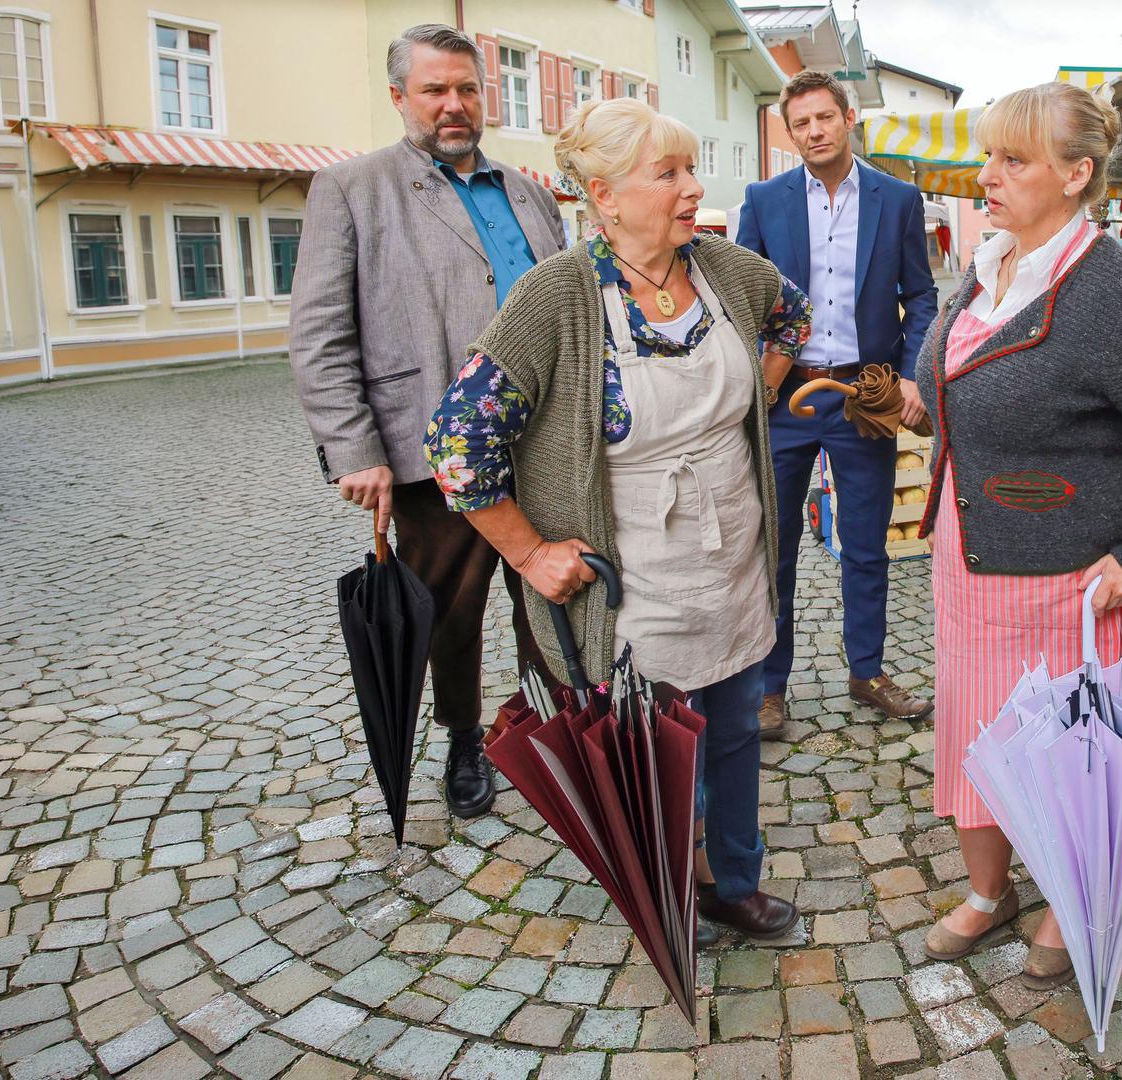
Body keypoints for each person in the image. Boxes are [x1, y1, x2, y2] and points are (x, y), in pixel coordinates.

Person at [424, 97, 811, 942]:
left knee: (735, 729)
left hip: (733, 550)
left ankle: (731, 883)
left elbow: (793, 316)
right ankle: (668, 891)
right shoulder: (555, 297)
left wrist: (760, 391)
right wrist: (530, 554)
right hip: (634, 577)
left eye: (690, 169)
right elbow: (457, 441)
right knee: (655, 745)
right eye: (667, 173)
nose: (692, 188)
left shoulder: (725, 269)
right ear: (603, 195)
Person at [916, 82, 1122, 987]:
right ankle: (990, 891)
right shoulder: (990, 263)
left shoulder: (1113, 294)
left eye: (1012, 160)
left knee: (1068, 752)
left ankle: (1075, 895)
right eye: (988, 155)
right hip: (967, 561)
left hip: (1066, 583)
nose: (987, 175)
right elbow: (966, 391)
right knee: (978, 732)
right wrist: (911, 403)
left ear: (1076, 174)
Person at [290, 24, 567, 819]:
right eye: (435, 89)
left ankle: (548, 729)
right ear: (398, 97)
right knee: (449, 604)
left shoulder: (530, 193)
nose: (454, 104)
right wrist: (353, 447)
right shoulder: (352, 189)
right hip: (431, 444)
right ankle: (464, 739)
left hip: (543, 439)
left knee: (550, 592)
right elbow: (319, 330)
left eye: (467, 88)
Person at [735, 71, 940, 738]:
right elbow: (740, 297)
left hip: (864, 395)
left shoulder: (897, 198)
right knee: (774, 547)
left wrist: (911, 377)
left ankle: (867, 672)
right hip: (785, 398)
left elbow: (922, 297)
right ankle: (768, 688)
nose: (815, 131)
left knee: (867, 544)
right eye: (801, 123)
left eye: (825, 117)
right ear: (790, 131)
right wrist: (760, 376)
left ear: (849, 118)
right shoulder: (763, 200)